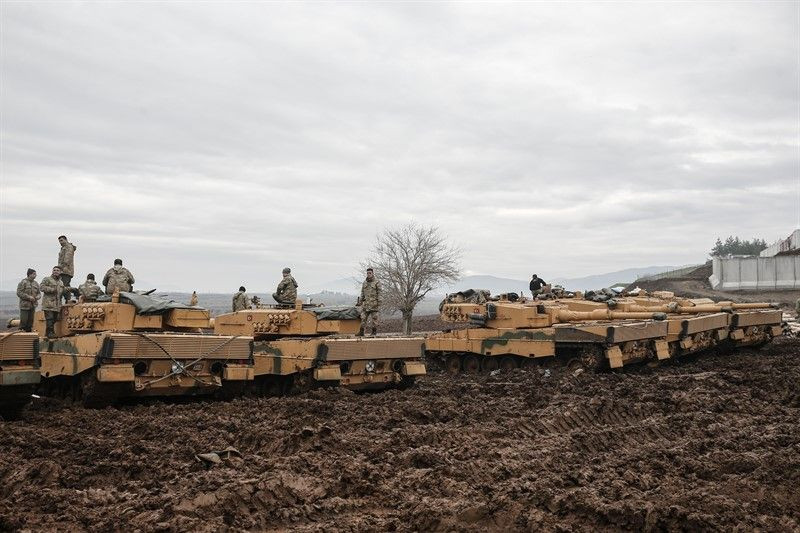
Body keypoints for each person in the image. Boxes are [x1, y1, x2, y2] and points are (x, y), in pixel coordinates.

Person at [40, 266, 64, 337]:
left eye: (57, 270)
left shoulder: (61, 282)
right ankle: (50, 333)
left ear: (60, 272)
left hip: (57, 305)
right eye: (54, 270)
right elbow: (41, 287)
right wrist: (51, 289)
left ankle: (47, 333)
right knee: (49, 318)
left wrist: (71, 290)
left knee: (55, 319)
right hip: (48, 303)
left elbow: (62, 290)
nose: (55, 271)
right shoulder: (47, 279)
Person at [357, 267, 380, 336]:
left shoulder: (377, 282)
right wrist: (360, 302)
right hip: (366, 304)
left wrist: (379, 303)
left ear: (372, 273)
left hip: (374, 304)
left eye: (370, 273)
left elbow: (380, 293)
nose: (368, 274)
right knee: (363, 318)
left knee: (374, 319)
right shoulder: (365, 283)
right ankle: (361, 332)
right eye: (367, 273)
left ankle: (374, 332)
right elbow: (362, 293)